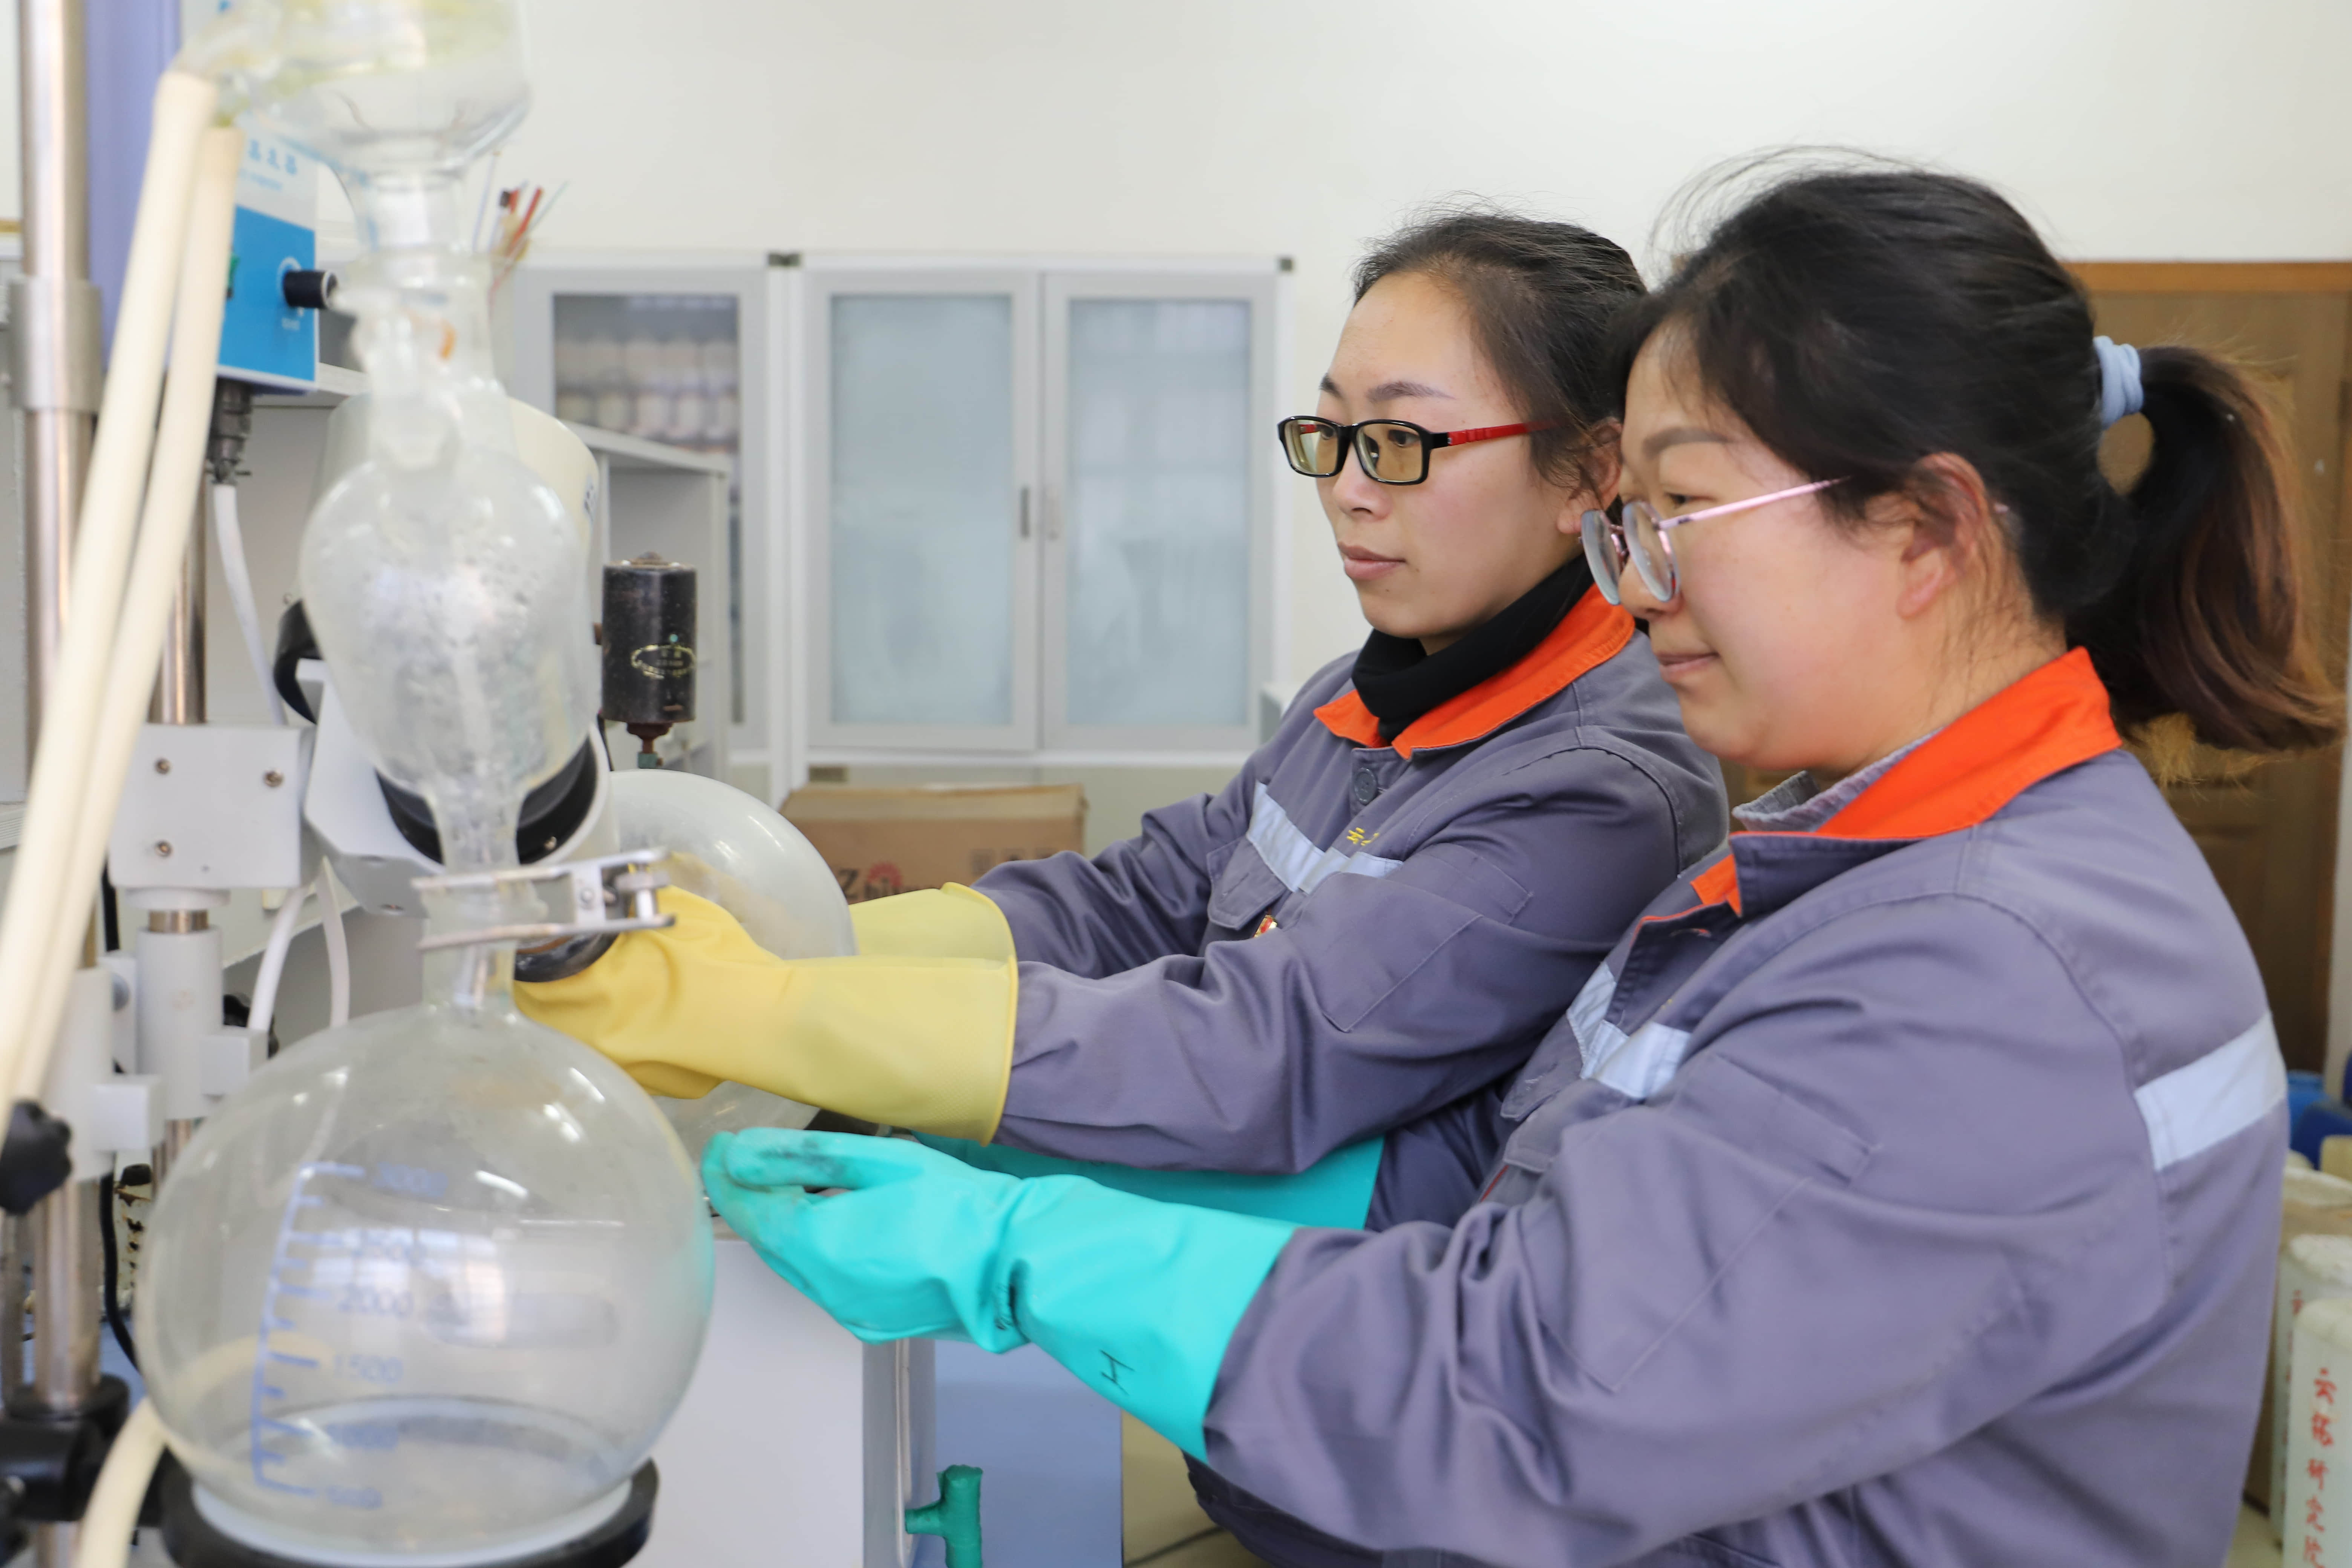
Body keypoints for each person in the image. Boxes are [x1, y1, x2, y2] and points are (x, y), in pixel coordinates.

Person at [689, 164, 2340, 1568]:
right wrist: (856, 1006)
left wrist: (1024, 1245)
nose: (1643, 582)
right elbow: (1514, 1172)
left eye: (1680, 511)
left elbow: (1524, 1383)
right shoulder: (1842, 851)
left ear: (1925, 530)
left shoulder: (1988, 967)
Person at [521, 211, 1724, 1233]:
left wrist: (762, 1004)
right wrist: (800, 939)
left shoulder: (1600, 785)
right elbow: (1141, 901)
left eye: (1403, 443)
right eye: (1334, 436)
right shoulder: (1368, 695)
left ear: (1588, 473)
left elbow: (1263, 1055)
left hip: (1340, 1326)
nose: (1350, 491)